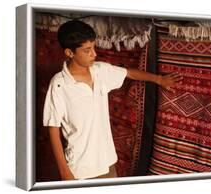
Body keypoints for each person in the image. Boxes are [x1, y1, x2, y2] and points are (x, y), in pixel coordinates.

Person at [43, 20, 182, 181]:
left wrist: (159, 79)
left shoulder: (101, 71)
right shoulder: (59, 85)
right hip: (79, 170)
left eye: (93, 47)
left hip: (107, 163)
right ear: (69, 53)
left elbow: (129, 73)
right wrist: (65, 172)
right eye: (87, 50)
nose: (94, 54)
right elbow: (53, 129)